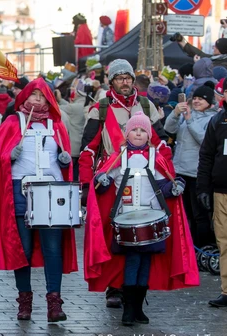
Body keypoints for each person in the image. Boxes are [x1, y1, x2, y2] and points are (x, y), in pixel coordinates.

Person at [0, 78, 78, 323]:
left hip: (51, 193)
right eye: (34, 96)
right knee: (22, 249)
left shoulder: (55, 124)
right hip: (21, 191)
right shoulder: (12, 122)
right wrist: (8, 156)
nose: (38, 101)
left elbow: (64, 160)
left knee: (52, 250)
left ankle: (54, 302)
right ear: (24, 98)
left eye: (42, 97)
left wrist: (66, 161)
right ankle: (25, 301)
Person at [85, 112, 198, 326]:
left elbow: (164, 186)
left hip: (152, 219)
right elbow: (105, 185)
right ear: (127, 134)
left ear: (149, 134)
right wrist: (101, 179)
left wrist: (175, 187)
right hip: (125, 219)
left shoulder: (157, 158)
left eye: (143, 130)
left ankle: (137, 307)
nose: (138, 134)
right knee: (133, 260)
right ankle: (128, 308)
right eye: (134, 130)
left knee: (146, 261)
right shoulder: (119, 157)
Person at [79, 58, 170, 308]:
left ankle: (136, 290)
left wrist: (169, 174)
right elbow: (88, 148)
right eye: (120, 78)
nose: (125, 82)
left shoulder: (145, 105)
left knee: (143, 230)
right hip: (112, 176)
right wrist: (87, 184)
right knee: (114, 233)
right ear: (112, 81)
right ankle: (114, 286)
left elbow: (160, 142)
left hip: (144, 175)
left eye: (128, 78)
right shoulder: (101, 107)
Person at [164, 84, 217, 247]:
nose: (196, 101)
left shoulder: (212, 118)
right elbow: (168, 128)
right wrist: (175, 114)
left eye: (201, 99)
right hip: (180, 171)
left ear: (209, 102)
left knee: (199, 214)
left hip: (196, 172)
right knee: (184, 213)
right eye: (194, 98)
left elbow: (204, 140)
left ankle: (202, 247)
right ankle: (188, 246)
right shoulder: (186, 114)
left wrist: (189, 121)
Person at [197, 78, 227, 307]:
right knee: (223, 242)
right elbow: (206, 156)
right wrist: (203, 188)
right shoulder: (217, 121)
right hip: (221, 191)